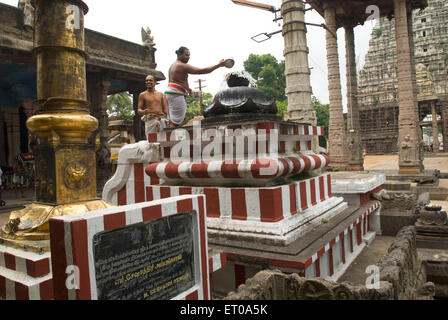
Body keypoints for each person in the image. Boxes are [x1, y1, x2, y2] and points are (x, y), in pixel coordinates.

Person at [165, 46, 226, 126]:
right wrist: (219, 65)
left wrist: (187, 89)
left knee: (174, 119)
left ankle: (172, 135)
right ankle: (173, 137)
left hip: (172, 93)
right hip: (176, 94)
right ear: (180, 55)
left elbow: (177, 81)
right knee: (175, 122)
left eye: (189, 55)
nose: (188, 57)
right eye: (186, 55)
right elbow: (202, 70)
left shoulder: (173, 65)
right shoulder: (181, 65)